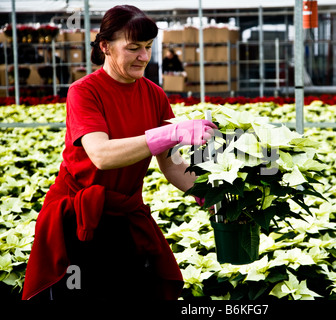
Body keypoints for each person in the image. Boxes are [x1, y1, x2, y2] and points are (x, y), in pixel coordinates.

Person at [22, 5, 216, 301]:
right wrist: (170, 132)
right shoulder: (84, 91)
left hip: (125, 216)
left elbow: (173, 165)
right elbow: (102, 155)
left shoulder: (155, 95)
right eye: (133, 48)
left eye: (149, 47)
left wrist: (211, 194)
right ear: (105, 47)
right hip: (79, 219)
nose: (144, 57)